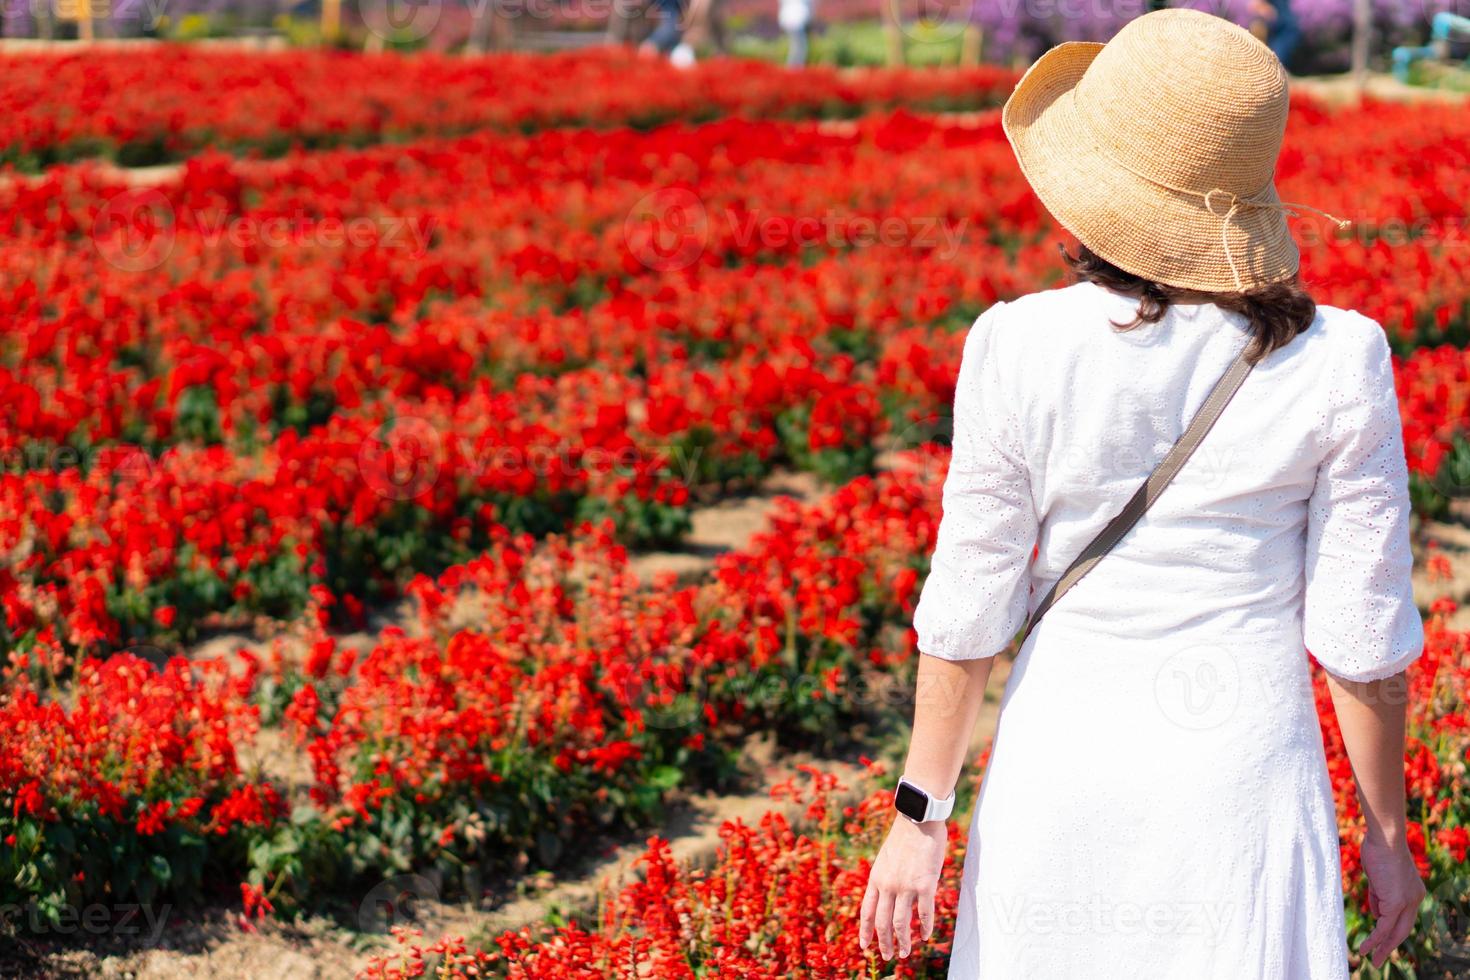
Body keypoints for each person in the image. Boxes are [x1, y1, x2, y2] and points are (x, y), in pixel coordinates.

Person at [859, 9, 1426, 978]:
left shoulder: (1016, 344)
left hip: (1062, 768)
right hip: (1238, 789)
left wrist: (921, 810)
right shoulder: (1342, 359)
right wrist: (1386, 833)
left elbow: (969, 604)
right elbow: (1361, 636)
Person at [779, 0, 814, 67]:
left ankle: (794, 67)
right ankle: (794, 68)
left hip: (793, 21)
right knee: (799, 47)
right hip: (796, 22)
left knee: (797, 46)